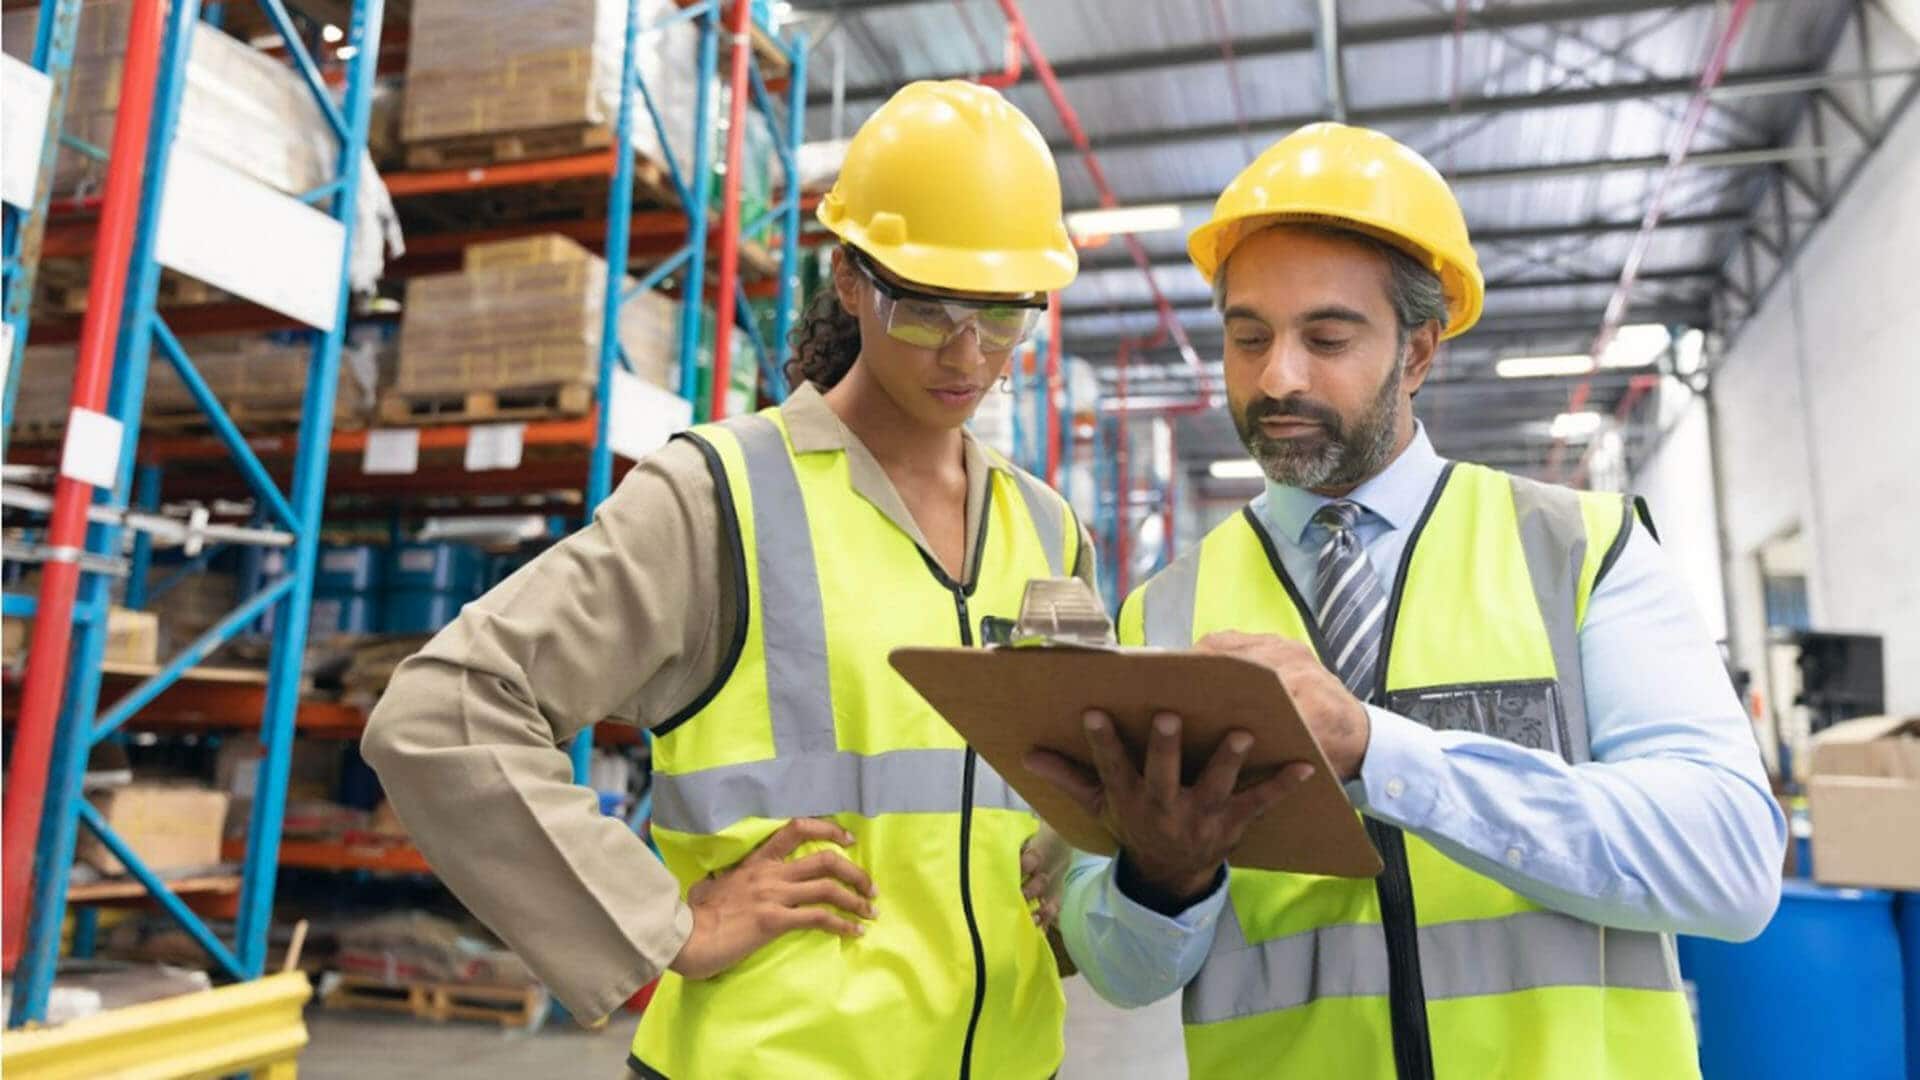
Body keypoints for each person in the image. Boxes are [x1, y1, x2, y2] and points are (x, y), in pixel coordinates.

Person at [362, 81, 1094, 1078]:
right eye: (926, 311)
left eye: (1005, 316)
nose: (969, 355)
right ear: (848, 281)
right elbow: (444, 713)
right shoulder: (723, 496)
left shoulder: (1048, 531)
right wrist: (660, 924)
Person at [1029, 123, 1786, 1079]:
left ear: (1419, 350)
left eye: (1327, 337)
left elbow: (1732, 865)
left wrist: (1380, 751)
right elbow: (1124, 972)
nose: (1278, 378)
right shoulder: (1166, 614)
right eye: (1247, 337)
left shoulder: (1580, 552)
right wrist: (1159, 881)